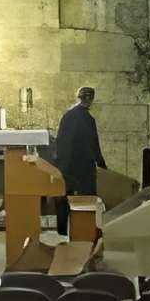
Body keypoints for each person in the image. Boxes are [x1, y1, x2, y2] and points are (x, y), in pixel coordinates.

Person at [52, 85, 106, 236]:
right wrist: (102, 165)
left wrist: (59, 163)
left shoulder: (67, 116)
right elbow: (94, 144)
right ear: (91, 100)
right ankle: (88, 232)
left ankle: (62, 232)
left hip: (65, 165)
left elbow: (60, 141)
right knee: (89, 199)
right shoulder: (88, 119)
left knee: (63, 197)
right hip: (83, 166)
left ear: (78, 97)